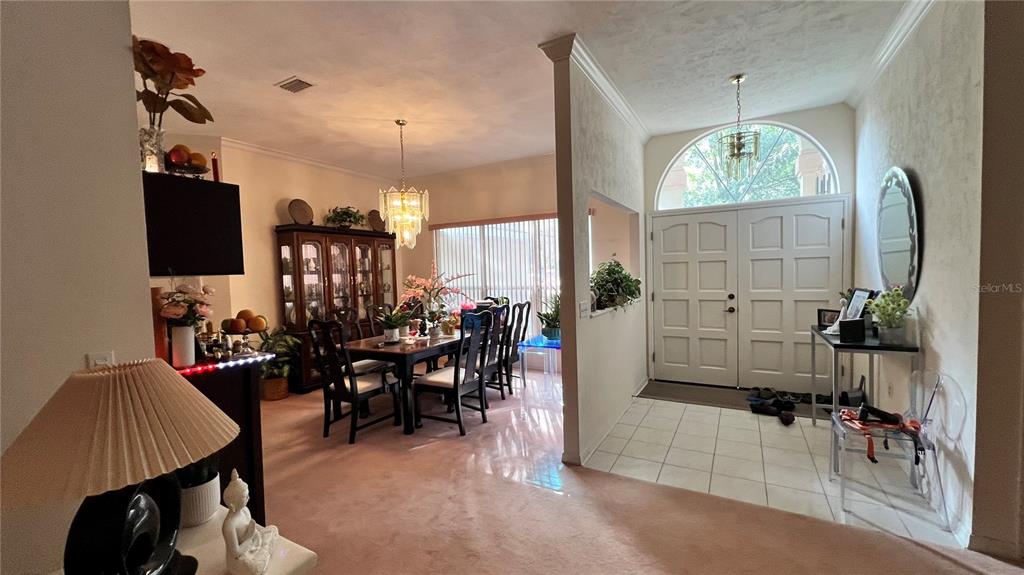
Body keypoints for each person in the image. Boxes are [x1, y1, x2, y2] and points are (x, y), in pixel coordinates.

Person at [222, 469, 278, 575]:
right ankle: (265, 553)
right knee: (251, 568)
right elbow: (236, 553)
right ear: (232, 504)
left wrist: (255, 535)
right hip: (241, 556)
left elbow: (252, 529)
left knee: (273, 529)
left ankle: (264, 552)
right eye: (244, 497)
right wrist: (250, 536)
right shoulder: (229, 525)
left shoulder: (245, 510)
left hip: (253, 543)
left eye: (248, 495)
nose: (248, 498)